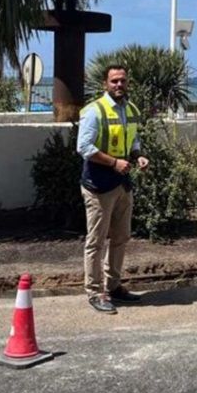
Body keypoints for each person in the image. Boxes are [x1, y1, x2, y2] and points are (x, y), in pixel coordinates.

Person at [76, 64, 150, 314]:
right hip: (99, 184)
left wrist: (138, 155)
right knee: (96, 241)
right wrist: (114, 163)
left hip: (122, 183)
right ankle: (95, 291)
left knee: (121, 237)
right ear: (105, 84)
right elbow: (84, 147)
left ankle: (114, 285)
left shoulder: (131, 109)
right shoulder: (94, 111)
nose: (119, 85)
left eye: (123, 81)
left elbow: (133, 138)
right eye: (114, 81)